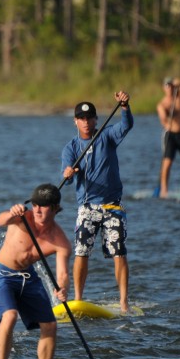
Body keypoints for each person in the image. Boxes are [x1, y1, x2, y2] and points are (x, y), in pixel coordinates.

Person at [0, 185, 71, 359]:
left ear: (55, 208)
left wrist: (62, 289)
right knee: (10, 316)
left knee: (50, 325)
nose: (38, 211)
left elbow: (62, 274)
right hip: (2, 274)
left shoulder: (60, 241)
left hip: (28, 277)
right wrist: (10, 214)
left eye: (44, 206)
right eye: (35, 205)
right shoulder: (22, 217)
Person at [62, 92, 133, 313]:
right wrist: (68, 173)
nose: (85, 122)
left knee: (119, 253)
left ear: (95, 120)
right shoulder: (71, 148)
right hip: (87, 208)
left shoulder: (107, 135)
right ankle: (78, 298)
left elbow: (127, 125)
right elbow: (67, 177)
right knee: (81, 252)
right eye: (81, 118)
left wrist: (124, 106)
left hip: (112, 206)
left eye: (89, 118)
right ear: (75, 121)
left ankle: (123, 302)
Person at [156, 77, 180, 197]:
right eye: (167, 86)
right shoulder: (162, 104)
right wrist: (167, 118)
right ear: (164, 88)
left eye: (171, 85)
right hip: (170, 135)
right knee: (167, 163)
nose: (170, 88)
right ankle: (164, 190)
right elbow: (163, 119)